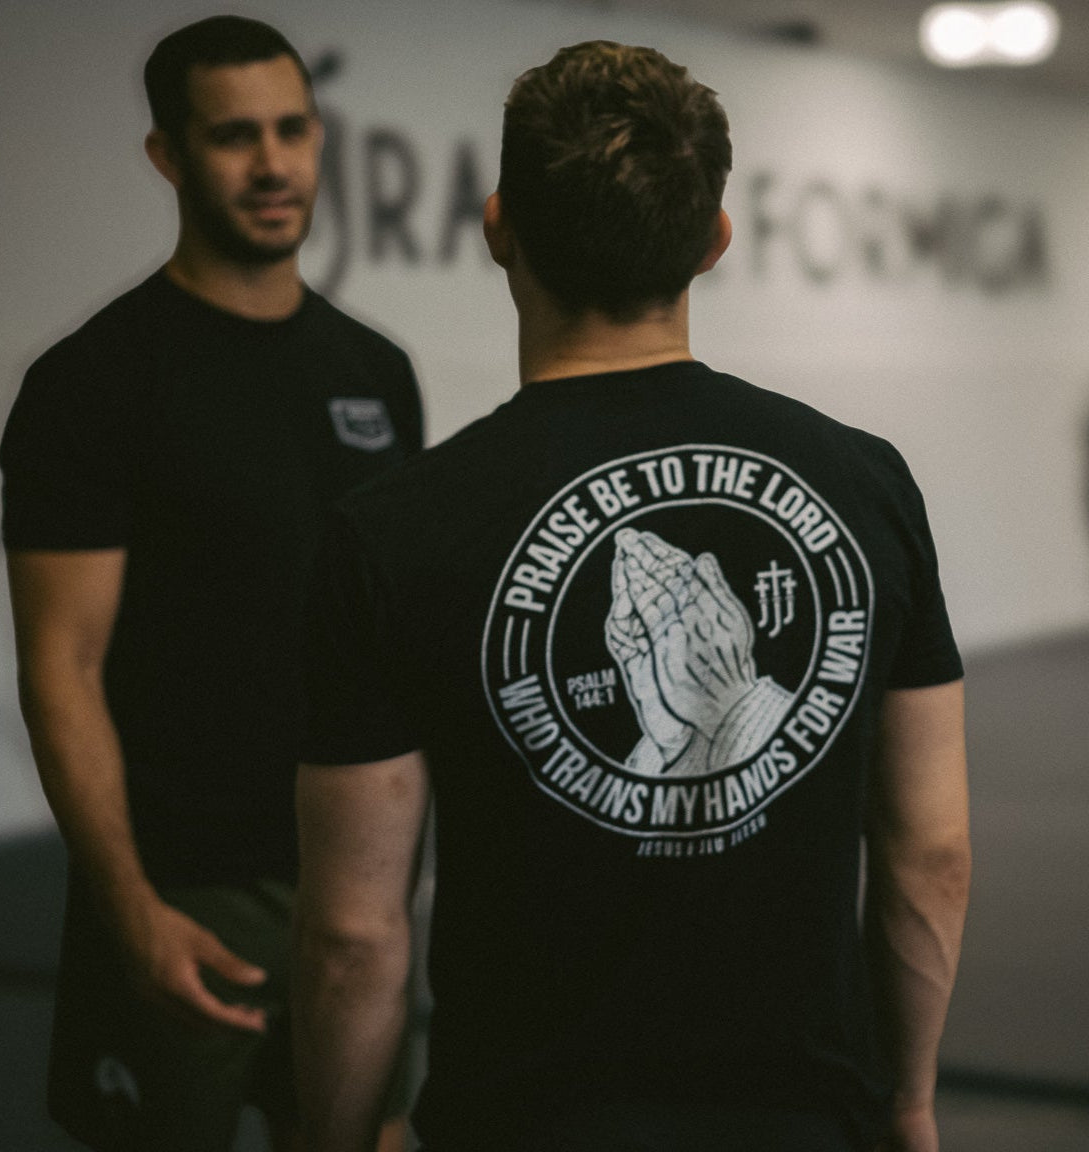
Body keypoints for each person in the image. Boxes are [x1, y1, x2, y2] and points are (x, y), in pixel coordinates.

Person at [293, 40, 970, 1152]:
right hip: (806, 1123)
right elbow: (929, 853)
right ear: (716, 239)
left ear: (497, 226)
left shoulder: (393, 530)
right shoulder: (867, 483)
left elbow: (354, 938)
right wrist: (906, 1101)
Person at [0, 15, 422, 1152]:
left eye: (294, 130)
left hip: (355, 888)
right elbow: (62, 667)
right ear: (168, 157)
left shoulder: (375, 373)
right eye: (236, 137)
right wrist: (132, 912)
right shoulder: (93, 384)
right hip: (183, 888)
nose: (275, 163)